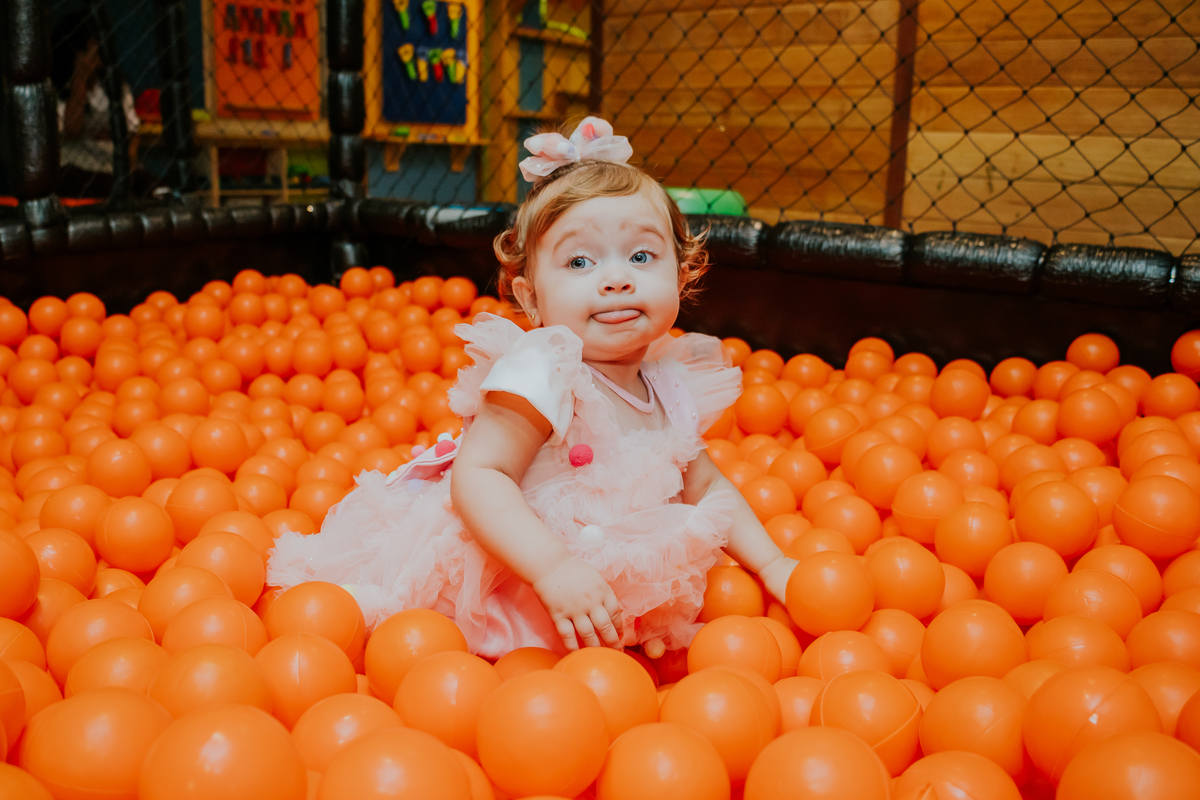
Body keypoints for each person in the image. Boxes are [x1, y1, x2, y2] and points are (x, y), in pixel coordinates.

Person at [267, 117, 798, 658]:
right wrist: (553, 568)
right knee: (420, 635)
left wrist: (775, 564)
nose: (616, 279)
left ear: (681, 276)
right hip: (517, 571)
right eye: (579, 261)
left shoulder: (670, 384)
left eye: (641, 256)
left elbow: (707, 489)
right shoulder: (544, 371)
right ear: (531, 298)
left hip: (600, 582)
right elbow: (480, 476)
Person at [51, 11, 142, 199]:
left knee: (152, 187)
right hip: (76, 169)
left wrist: (127, 159)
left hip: (112, 167)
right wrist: (80, 76)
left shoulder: (114, 86)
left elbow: (132, 132)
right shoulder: (56, 88)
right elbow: (72, 130)